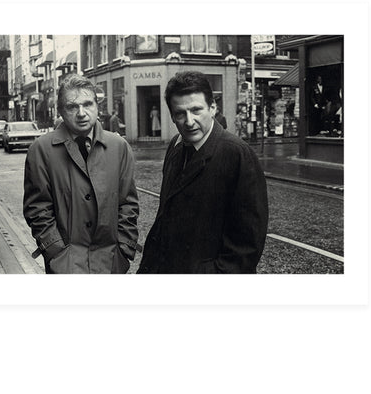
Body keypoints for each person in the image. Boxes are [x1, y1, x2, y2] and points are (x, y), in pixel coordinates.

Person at [138, 71, 268, 274]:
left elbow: (247, 243)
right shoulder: (176, 145)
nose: (189, 121)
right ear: (172, 116)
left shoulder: (237, 154)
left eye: (196, 110)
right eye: (180, 113)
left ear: (213, 108)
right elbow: (164, 217)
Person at [23, 74, 140, 274]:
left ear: (97, 106)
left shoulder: (119, 147)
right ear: (60, 110)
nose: (81, 113)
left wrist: (124, 248)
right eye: (72, 107)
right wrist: (57, 253)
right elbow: (38, 208)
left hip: (111, 262)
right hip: (65, 266)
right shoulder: (41, 149)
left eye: (88, 104)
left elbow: (128, 203)